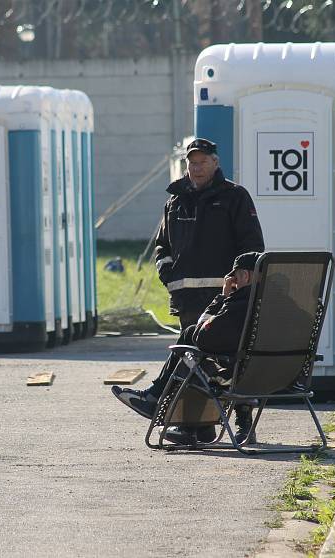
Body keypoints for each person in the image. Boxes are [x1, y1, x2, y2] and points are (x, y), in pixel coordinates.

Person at [112, 252, 262, 445]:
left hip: (239, 376)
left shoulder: (239, 304)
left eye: (236, 277)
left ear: (244, 276)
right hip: (280, 376)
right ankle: (197, 426)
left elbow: (203, 337)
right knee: (194, 352)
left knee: (189, 348)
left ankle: (169, 411)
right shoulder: (283, 305)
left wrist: (222, 298)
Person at [154, 138, 264, 330]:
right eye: (192, 163)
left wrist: (240, 282)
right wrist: (168, 275)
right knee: (190, 354)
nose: (197, 168)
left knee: (221, 354)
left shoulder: (235, 196)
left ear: (215, 163)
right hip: (186, 300)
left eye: (203, 162)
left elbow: (252, 243)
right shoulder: (175, 203)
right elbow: (162, 246)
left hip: (225, 297)